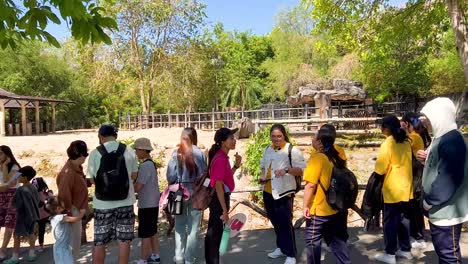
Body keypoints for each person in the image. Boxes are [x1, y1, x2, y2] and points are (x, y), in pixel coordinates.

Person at [419, 97, 468, 263]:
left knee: (449, 256)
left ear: (440, 116)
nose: (426, 123)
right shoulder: (442, 136)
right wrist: (426, 158)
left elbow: (449, 178)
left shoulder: (452, 140)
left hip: (446, 210)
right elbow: (439, 164)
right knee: (444, 254)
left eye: (428, 119)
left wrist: (429, 201)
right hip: (441, 208)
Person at [87, 124, 138, 264]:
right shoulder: (129, 150)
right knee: (124, 241)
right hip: (125, 202)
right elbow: (134, 176)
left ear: (101, 136)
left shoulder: (95, 153)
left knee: (100, 242)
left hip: (102, 204)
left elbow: (90, 179)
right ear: (115, 136)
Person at [303, 124, 351, 264]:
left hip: (319, 209)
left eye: (314, 137)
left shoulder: (318, 158)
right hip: (335, 207)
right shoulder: (337, 154)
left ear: (319, 141)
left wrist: (305, 205)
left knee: (313, 242)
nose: (312, 139)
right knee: (337, 241)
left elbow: (310, 185)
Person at [260, 124, 306, 264]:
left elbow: (302, 169)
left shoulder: (292, 150)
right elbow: (263, 166)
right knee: (275, 222)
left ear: (284, 135)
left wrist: (286, 171)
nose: (276, 139)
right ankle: (281, 247)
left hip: (284, 192)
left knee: (285, 223)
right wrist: (262, 178)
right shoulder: (268, 149)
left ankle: (291, 253)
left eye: (279, 136)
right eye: (273, 136)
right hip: (268, 191)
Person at [373, 115, 413, 264]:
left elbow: (380, 169)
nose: (381, 129)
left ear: (387, 128)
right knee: (404, 220)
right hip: (406, 186)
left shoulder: (388, 143)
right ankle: (405, 249)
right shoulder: (405, 142)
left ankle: (390, 253)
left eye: (382, 126)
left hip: (392, 188)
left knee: (390, 221)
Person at [167, 128, 207, 264]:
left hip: (179, 194)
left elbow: (170, 176)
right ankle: (189, 259)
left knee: (179, 226)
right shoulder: (200, 154)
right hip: (196, 195)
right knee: (193, 229)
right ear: (194, 137)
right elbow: (204, 175)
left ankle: (179, 257)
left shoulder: (175, 153)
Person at [205, 128, 242, 264]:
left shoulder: (222, 157)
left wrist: (236, 166)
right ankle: (213, 261)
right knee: (216, 234)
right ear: (223, 142)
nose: (234, 140)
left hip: (220, 198)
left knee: (214, 232)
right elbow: (219, 186)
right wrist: (225, 210)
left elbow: (225, 180)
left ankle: (212, 260)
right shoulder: (220, 159)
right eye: (231, 138)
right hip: (219, 200)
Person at [56, 140, 89, 261]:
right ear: (81, 156)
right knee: (72, 245)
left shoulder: (75, 168)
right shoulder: (69, 172)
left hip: (75, 209)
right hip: (72, 211)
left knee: (74, 245)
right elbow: (64, 195)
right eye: (85, 155)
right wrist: (70, 215)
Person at [400, 112, 427, 249]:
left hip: (415, 175)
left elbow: (401, 146)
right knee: (414, 207)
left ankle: (419, 236)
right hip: (416, 174)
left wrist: (402, 131)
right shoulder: (415, 136)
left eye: (402, 122)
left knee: (414, 207)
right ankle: (418, 235)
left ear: (407, 123)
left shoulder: (413, 137)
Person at [4, 166, 40, 264]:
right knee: (31, 233)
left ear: (25, 177)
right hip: (34, 214)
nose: (18, 177)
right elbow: (37, 200)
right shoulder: (33, 187)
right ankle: (32, 254)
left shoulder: (20, 190)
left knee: (16, 235)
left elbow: (17, 204)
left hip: (23, 216)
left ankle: (15, 257)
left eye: (20, 175)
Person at [133, 137, 161, 264]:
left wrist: (130, 187)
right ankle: (156, 254)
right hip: (153, 202)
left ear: (143, 150)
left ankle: (143, 259)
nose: (136, 152)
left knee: (145, 232)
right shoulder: (152, 164)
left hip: (146, 204)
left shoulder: (145, 166)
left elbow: (138, 186)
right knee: (152, 230)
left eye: (137, 150)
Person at [45, 196, 86, 264]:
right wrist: (82, 212)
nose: (65, 205)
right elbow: (77, 219)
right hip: (62, 249)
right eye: (63, 205)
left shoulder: (53, 218)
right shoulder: (62, 218)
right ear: (58, 208)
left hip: (59, 247)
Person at [0, 145, 20, 261]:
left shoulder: (14, 167)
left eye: (1, 153)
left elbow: (8, 181)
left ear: (7, 154)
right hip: (1, 196)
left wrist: (5, 165)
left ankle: (3, 250)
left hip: (12, 197)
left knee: (9, 224)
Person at [31, 177, 52, 252]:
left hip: (34, 215)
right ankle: (41, 245)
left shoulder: (32, 194)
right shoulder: (43, 193)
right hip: (44, 215)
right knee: (41, 230)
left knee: (34, 231)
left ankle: (33, 247)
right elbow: (50, 198)